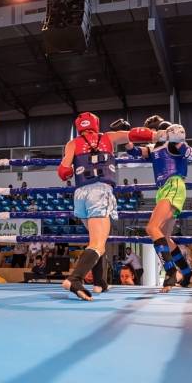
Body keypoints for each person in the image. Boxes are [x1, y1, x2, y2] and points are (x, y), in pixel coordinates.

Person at [57, 112, 163, 300]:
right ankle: (74, 279)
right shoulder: (108, 137)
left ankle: (99, 282)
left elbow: (63, 171)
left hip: (80, 195)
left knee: (96, 240)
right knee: (97, 244)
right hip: (99, 192)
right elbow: (135, 134)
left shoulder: (72, 144)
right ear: (96, 124)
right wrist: (158, 135)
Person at [126, 115, 192, 292]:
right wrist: (125, 136)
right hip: (164, 189)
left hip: (173, 185)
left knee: (152, 228)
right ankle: (188, 274)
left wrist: (179, 140)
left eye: (150, 132)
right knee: (164, 237)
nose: (149, 136)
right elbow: (134, 151)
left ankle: (171, 272)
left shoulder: (171, 142)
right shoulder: (153, 148)